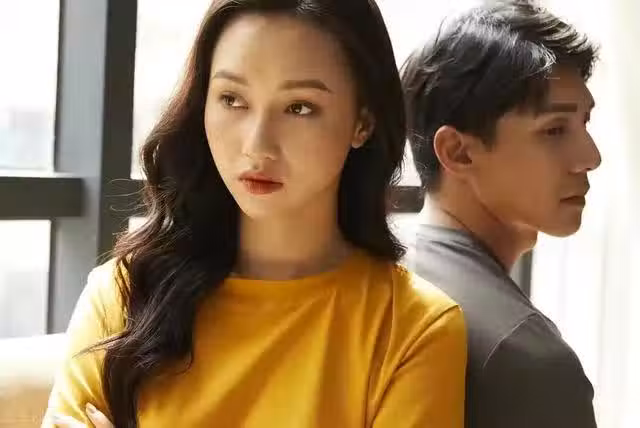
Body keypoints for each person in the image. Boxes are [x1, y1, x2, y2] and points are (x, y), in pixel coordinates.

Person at [43, 1, 467, 427]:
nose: (257, 145)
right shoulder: (125, 294)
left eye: (299, 107)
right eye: (232, 99)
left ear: (363, 122)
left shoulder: (413, 328)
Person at [401, 1, 600, 427]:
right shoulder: (524, 357)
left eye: (585, 123)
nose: (591, 157)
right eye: (554, 130)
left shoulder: (375, 277)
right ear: (458, 152)